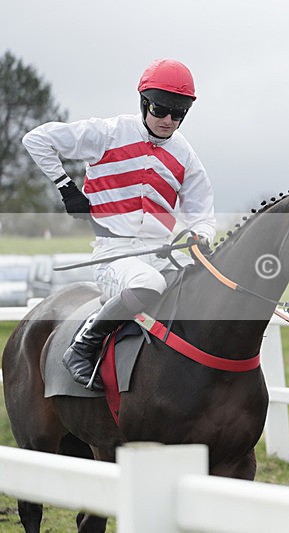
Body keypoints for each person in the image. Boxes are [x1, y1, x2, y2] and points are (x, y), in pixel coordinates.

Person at [22, 58, 216, 391]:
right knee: (149, 285)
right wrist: (66, 187)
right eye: (161, 110)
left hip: (163, 253)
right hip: (114, 255)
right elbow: (36, 139)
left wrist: (201, 235)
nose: (168, 120)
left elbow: (203, 213)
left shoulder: (186, 155)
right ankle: (82, 347)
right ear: (144, 102)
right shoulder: (107, 133)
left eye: (178, 114)